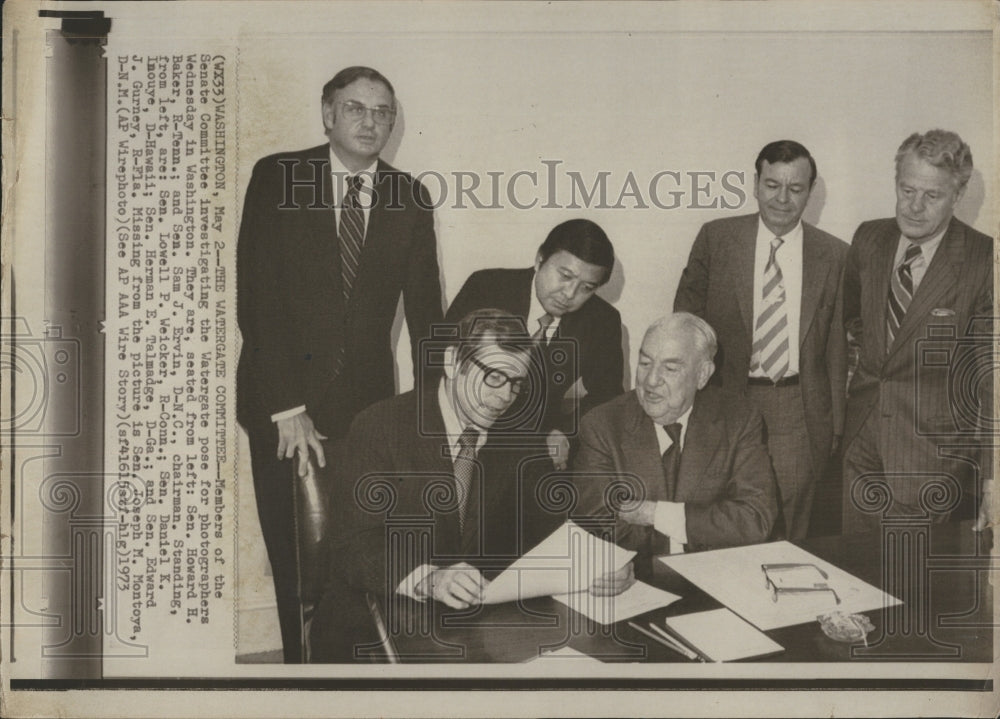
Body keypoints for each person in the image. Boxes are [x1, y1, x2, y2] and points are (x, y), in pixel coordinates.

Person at [235, 66, 443, 661]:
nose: (371, 122)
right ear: (328, 113)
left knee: (356, 552)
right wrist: (286, 407)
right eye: (357, 108)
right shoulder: (279, 176)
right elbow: (257, 298)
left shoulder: (409, 196)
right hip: (283, 406)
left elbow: (427, 313)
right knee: (298, 559)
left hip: (367, 410)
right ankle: (301, 678)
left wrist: (433, 414)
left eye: (384, 112)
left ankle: (349, 673)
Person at [309, 309, 631, 661]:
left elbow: (549, 525)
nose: (505, 396)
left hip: (475, 623)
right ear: (452, 361)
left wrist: (601, 559)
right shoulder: (380, 427)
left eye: (516, 383)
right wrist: (428, 578)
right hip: (376, 618)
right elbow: (352, 545)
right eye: (494, 377)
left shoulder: (520, 435)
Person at [674, 140, 848, 542]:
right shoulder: (716, 239)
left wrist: (836, 421)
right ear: (755, 183)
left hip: (797, 410)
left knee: (791, 530)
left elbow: (838, 343)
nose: (783, 199)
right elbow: (684, 324)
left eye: (796, 188)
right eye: (772, 185)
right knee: (725, 522)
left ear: (811, 190)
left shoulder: (835, 255)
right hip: (726, 399)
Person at [841, 129, 994, 534]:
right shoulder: (868, 238)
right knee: (855, 575)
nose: (914, 207)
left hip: (931, 457)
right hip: (861, 444)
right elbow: (853, 318)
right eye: (907, 190)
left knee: (909, 584)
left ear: (958, 195)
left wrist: (994, 478)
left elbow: (990, 380)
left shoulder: (983, 259)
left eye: (932, 196)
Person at [573, 313, 777, 571]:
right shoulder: (602, 425)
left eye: (670, 368)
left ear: (703, 374)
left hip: (717, 574)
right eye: (645, 363)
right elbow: (598, 523)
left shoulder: (738, 420)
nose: (651, 380)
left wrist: (654, 513)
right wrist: (700, 525)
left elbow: (755, 519)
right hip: (635, 578)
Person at [445, 219, 624, 470]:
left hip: (537, 445)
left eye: (586, 288)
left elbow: (608, 396)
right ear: (540, 259)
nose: (570, 294)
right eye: (565, 276)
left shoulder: (602, 321)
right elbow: (437, 362)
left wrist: (565, 432)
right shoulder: (485, 287)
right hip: (465, 430)